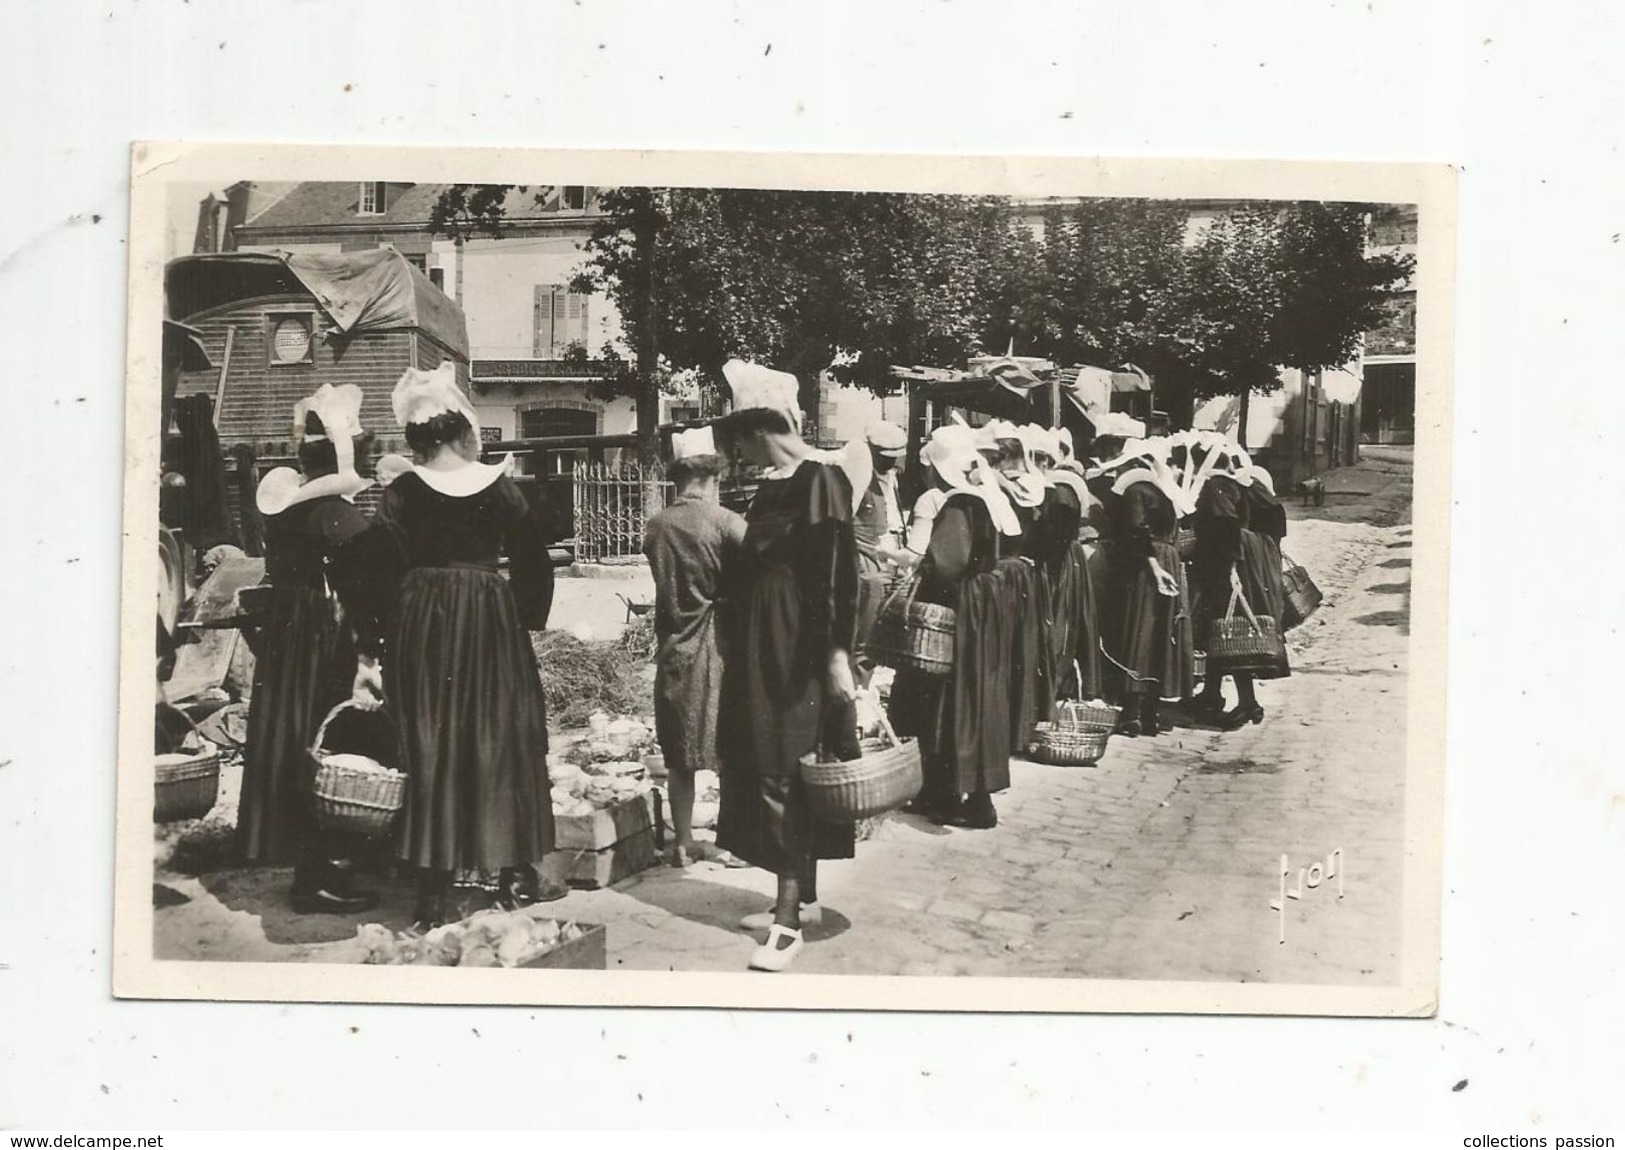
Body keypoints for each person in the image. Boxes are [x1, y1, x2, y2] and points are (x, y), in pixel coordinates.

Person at [330, 364, 562, 927]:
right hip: (487, 620)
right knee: (497, 733)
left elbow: (374, 570)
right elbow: (533, 561)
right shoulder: (500, 488)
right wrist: (524, 618)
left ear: (415, 437)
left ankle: (434, 886)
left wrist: (372, 645)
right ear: (462, 427)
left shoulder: (404, 492)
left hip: (424, 619)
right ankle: (512, 874)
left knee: (431, 737)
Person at [710, 359, 862, 973]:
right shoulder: (777, 482)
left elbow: (833, 578)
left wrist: (834, 655)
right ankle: (806, 895)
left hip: (795, 643)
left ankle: (787, 918)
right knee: (771, 761)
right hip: (762, 640)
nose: (737, 453)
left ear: (756, 429)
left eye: (738, 440)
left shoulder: (821, 479)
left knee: (786, 770)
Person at [238, 383, 379, 914]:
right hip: (322, 629)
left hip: (290, 630)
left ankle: (294, 850)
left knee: (293, 728)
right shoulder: (334, 516)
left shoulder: (289, 513)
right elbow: (369, 576)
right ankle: (317, 872)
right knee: (325, 735)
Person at [887, 424, 1021, 828]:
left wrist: (918, 563)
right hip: (983, 607)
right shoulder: (986, 499)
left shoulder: (961, 503)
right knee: (966, 696)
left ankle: (953, 795)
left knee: (947, 697)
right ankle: (949, 791)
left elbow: (947, 562)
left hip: (961, 608)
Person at [642, 426, 750, 870]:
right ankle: (733, 839)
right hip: (720, 642)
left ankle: (682, 842)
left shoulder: (658, 526)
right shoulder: (726, 522)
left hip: (674, 642)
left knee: (678, 749)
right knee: (730, 745)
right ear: (712, 475)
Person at [1092, 437, 1196, 737]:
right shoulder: (1164, 493)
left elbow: (1137, 532)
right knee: (1161, 635)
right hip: (1169, 558)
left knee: (1140, 632)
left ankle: (1132, 712)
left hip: (1147, 565)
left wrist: (1153, 568)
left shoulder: (1136, 491)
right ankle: (1151, 712)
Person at [1190, 448, 1291, 727]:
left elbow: (1225, 527)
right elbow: (1276, 518)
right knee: (1220, 628)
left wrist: (1232, 567)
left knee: (1231, 630)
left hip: (1232, 563)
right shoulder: (1243, 483)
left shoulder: (1216, 487)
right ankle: (1212, 693)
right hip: (1255, 559)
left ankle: (1248, 702)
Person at [850, 420, 909, 685]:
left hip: (894, 556)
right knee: (865, 637)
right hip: (869, 559)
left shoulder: (893, 478)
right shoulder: (858, 478)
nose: (890, 464)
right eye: (885, 458)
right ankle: (857, 692)